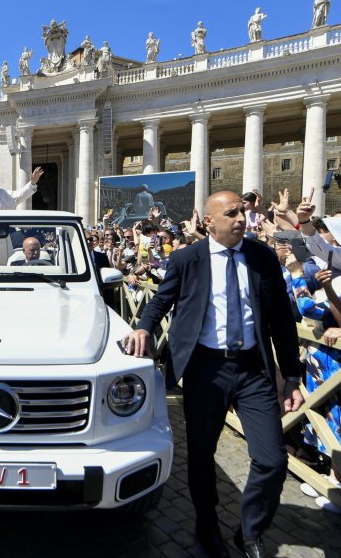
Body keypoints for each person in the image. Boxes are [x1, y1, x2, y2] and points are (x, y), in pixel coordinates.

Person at [121, 191, 304, 558]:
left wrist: (292, 376)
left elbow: (282, 319)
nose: (241, 219)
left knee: (272, 460)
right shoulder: (186, 258)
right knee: (202, 455)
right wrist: (142, 327)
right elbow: (161, 300)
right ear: (209, 221)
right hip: (205, 369)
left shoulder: (262, 256)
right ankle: (207, 527)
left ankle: (250, 532)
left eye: (243, 212)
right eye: (232, 213)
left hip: (253, 370)